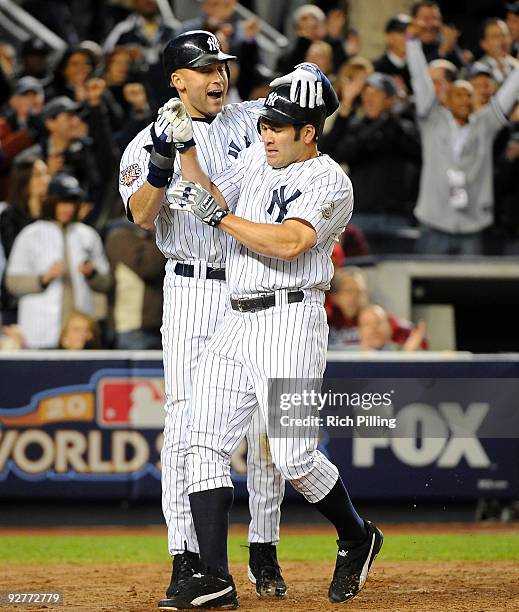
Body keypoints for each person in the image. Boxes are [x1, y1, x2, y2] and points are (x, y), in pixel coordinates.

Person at [119, 29, 338, 603]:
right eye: (204, 67)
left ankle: (263, 550)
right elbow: (142, 217)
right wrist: (164, 164)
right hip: (192, 287)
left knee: (271, 430)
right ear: (177, 79)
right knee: (188, 427)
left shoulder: (253, 121)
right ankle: (186, 559)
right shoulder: (145, 141)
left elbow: (302, 111)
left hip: (253, 279)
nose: (219, 76)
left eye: (222, 65)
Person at [161, 83, 383, 609]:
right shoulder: (259, 162)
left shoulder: (330, 179)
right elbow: (212, 196)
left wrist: (218, 218)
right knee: (201, 440)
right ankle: (215, 577)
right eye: (263, 125)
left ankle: (356, 534)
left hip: (292, 319)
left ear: (309, 132)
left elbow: (290, 242)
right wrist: (186, 146)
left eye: (277, 127)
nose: (266, 134)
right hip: (235, 319)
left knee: (292, 456)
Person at [407, 20, 519, 255]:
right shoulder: (432, 120)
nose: (464, 100)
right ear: (447, 99)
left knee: (470, 290)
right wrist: (412, 44)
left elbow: (510, 93)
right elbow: (420, 81)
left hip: (473, 226)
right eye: (458, 94)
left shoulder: (485, 125)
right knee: (428, 287)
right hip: (433, 222)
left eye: (469, 96)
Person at [5, 173, 111, 348]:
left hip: (78, 336)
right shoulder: (31, 234)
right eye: (62, 202)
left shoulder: (87, 235)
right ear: (51, 202)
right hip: (40, 332)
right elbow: (12, 282)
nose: (68, 208)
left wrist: (92, 274)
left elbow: (106, 282)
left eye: (71, 203)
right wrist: (42, 279)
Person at [478, 18, 519, 85]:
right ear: (484, 44)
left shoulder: (516, 66)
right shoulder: (477, 70)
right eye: (495, 36)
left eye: (505, 35)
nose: (502, 41)